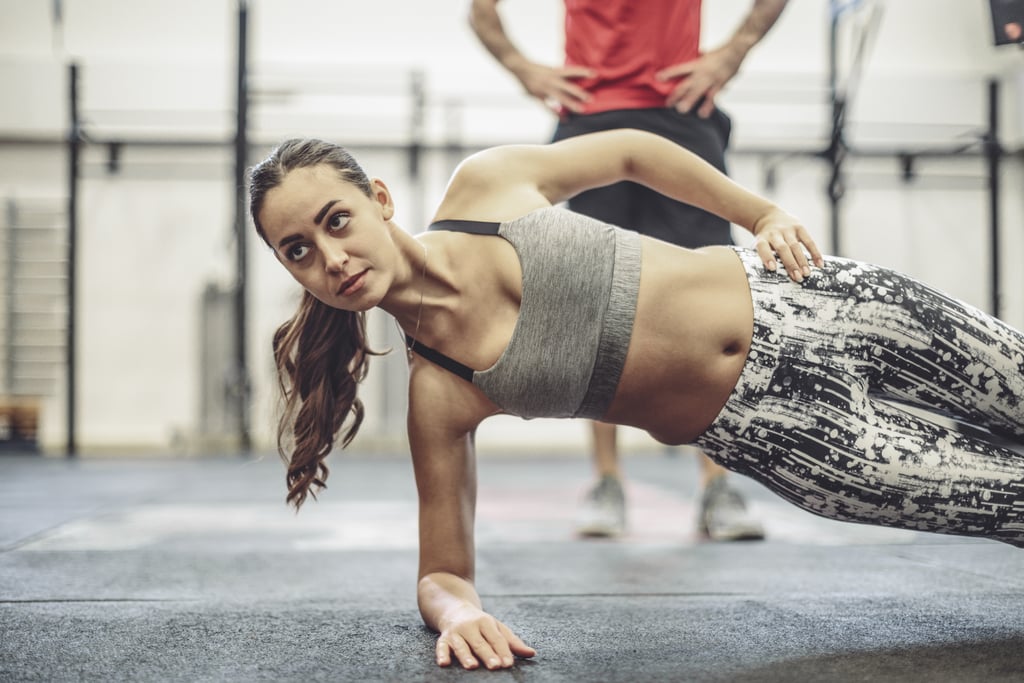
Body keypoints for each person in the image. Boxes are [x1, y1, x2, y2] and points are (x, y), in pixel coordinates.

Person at [249, 129, 1024, 671]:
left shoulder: (484, 187)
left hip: (821, 303)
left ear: (378, 198)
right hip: (804, 442)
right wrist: (460, 615)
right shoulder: (440, 392)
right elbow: (441, 572)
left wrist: (760, 213)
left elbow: (629, 151)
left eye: (336, 221)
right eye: (300, 251)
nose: (333, 258)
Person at [469, 0, 790, 540]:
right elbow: (482, 10)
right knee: (591, 301)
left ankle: (717, 485)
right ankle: (607, 482)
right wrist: (522, 66)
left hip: (680, 111)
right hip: (591, 117)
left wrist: (734, 51)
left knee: (711, 303)